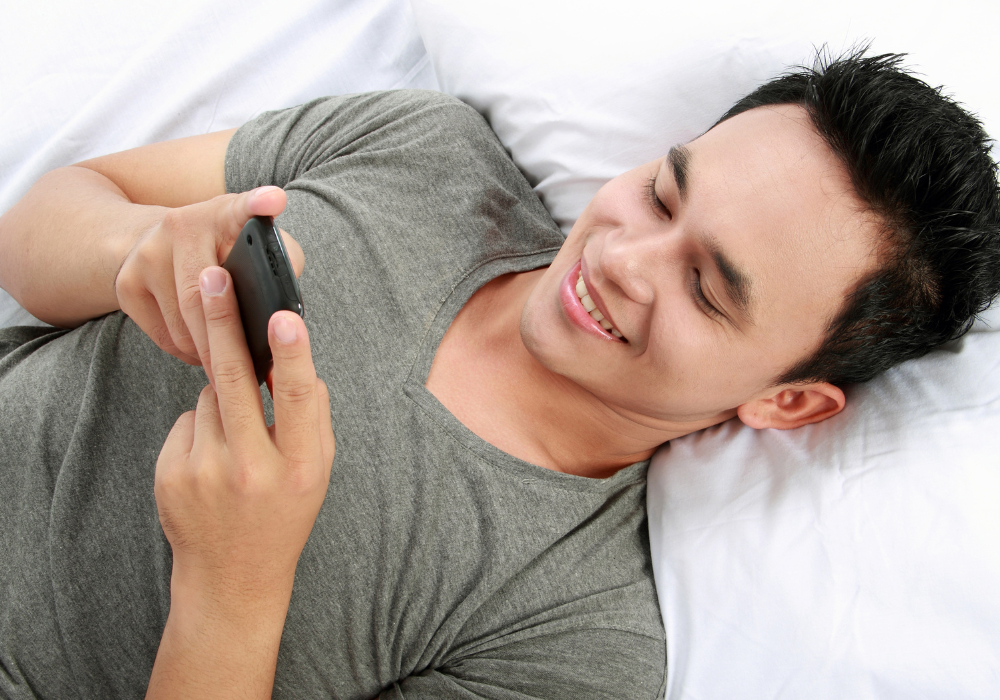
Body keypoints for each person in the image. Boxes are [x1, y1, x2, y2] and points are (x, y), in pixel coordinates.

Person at [0, 50, 997, 699]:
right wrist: (148, 251)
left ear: (785, 400)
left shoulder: (574, 642)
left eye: (703, 286)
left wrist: (233, 586)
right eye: (660, 193)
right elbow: (47, 217)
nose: (621, 258)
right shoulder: (426, 154)